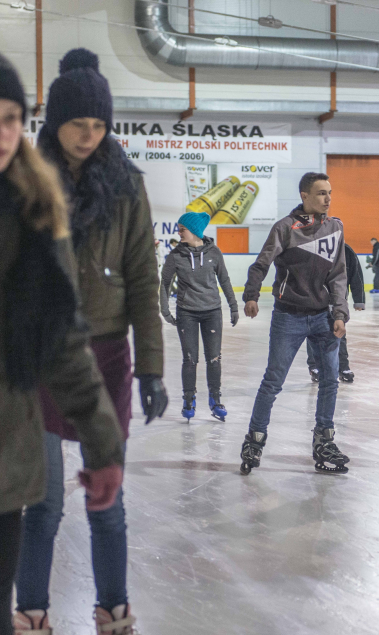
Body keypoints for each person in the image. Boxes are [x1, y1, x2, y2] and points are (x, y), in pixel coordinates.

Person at [15, 49, 168, 635]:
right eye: (78, 123)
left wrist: (150, 368)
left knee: (108, 499)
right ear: (56, 121)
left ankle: (114, 612)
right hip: (44, 356)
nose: (89, 135)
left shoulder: (126, 187)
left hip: (105, 356)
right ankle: (32, 613)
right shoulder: (27, 181)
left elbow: (144, 278)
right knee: (44, 501)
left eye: (99, 124)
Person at [0, 53, 125, 635]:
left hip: (6, 456)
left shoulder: (33, 209)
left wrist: (103, 444)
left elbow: (63, 340)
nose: (3, 134)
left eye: (10, 119)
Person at [240, 172, 351, 474]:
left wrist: (340, 313)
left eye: (329, 192)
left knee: (329, 381)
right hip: (288, 316)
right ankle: (254, 440)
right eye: (321, 193)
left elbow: (339, 275)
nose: (328, 198)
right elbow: (261, 263)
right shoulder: (285, 228)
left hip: (323, 316)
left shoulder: (335, 228)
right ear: (304, 196)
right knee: (273, 381)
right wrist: (251, 295)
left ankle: (324, 441)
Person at [160, 212, 239, 422]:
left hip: (212, 312)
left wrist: (233, 306)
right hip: (187, 312)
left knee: (214, 358)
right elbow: (165, 282)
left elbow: (224, 280)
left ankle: (215, 399)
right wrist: (165, 309)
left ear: (194, 231)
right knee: (190, 359)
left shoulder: (214, 253)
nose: (179, 233)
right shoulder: (176, 255)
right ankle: (189, 399)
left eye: (182, 229)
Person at [307, 243, 365, 383]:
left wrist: (359, 300)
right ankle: (315, 366)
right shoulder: (315, 245)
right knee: (314, 333)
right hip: (315, 300)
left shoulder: (346, 250)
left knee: (340, 333)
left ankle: (343, 367)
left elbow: (356, 275)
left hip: (338, 300)